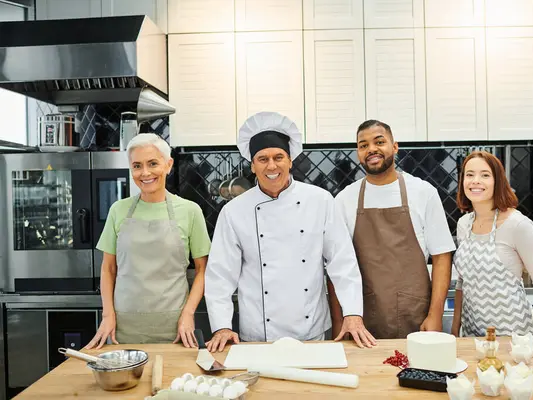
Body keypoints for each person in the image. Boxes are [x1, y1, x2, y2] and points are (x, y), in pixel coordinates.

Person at [204, 111, 377, 352]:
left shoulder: (320, 200)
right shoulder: (234, 211)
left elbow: (342, 263)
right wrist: (222, 326)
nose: (272, 166)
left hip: (312, 332)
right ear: (252, 165)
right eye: (262, 159)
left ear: (290, 160)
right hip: (258, 335)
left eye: (278, 157)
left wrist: (353, 314)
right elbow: (220, 275)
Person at [332, 120, 456, 339]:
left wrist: (435, 314)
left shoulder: (423, 192)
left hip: (417, 317)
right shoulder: (344, 200)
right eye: (363, 145)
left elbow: (442, 257)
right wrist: (339, 321)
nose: (371, 149)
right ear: (358, 153)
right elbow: (336, 267)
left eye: (379, 141)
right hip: (362, 322)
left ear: (395, 146)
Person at [85, 133, 211, 349]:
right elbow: (108, 269)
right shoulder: (118, 210)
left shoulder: (190, 211)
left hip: (175, 325)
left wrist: (188, 314)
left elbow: (203, 270)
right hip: (123, 326)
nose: (145, 173)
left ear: (168, 165)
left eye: (153, 163)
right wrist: (107, 315)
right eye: (137, 166)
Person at [451, 151, 533, 337]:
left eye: (485, 175)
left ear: (497, 182)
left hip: (515, 338)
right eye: (469, 175)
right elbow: (462, 283)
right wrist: (454, 331)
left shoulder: (517, 225)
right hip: (474, 337)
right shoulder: (464, 224)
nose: (475, 180)